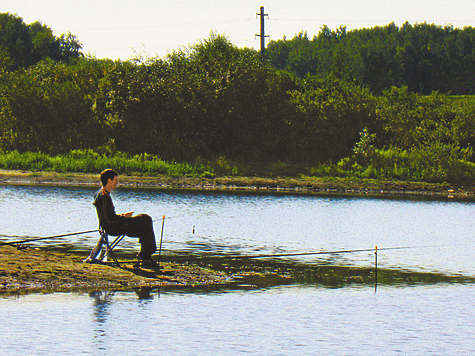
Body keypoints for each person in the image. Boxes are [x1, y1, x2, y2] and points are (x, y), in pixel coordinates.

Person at [93, 169, 158, 266]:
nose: (117, 183)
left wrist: (123, 217)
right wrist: (123, 217)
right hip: (113, 228)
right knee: (146, 220)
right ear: (109, 180)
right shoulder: (103, 196)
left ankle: (145, 255)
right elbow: (108, 220)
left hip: (115, 225)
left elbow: (109, 217)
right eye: (115, 180)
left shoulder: (102, 194)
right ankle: (146, 256)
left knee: (145, 221)